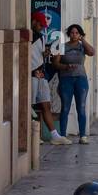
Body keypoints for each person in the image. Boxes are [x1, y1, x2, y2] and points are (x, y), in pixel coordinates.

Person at [31, 12, 70, 144]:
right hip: (31, 74)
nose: (42, 27)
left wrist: (49, 52)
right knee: (28, 106)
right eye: (41, 25)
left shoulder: (41, 37)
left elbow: (39, 55)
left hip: (41, 74)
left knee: (46, 104)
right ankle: (32, 135)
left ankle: (55, 135)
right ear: (34, 21)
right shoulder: (27, 37)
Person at [53, 24, 95, 144]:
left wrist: (83, 40)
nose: (74, 35)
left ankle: (82, 135)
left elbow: (92, 52)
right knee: (65, 108)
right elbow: (55, 64)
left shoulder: (82, 47)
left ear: (80, 34)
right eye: (72, 33)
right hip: (66, 79)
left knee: (81, 107)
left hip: (81, 79)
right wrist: (66, 66)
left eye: (77, 33)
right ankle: (62, 135)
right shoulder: (62, 47)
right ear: (69, 34)